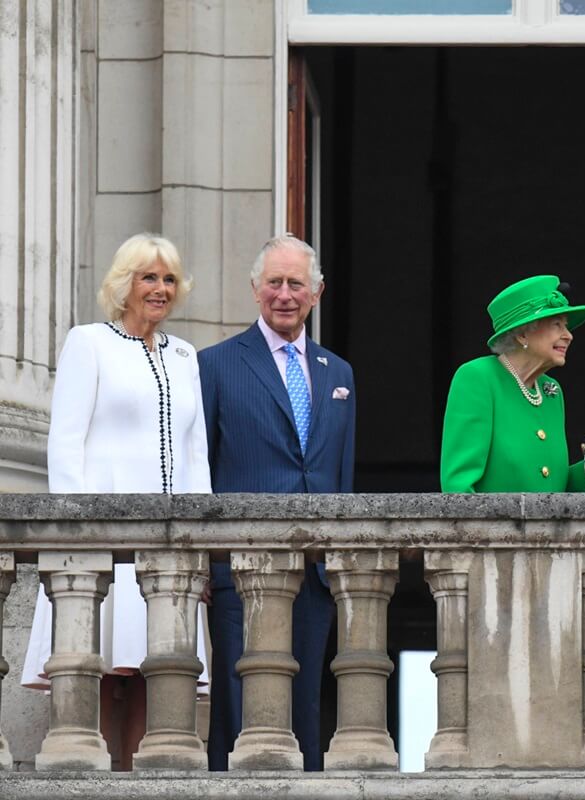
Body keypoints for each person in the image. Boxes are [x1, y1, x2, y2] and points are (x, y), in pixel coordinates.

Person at [22, 233, 211, 770]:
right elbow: (65, 444)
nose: (160, 288)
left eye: (169, 278)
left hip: (171, 548)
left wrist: (204, 543)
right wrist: (74, 538)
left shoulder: (184, 355)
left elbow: (195, 454)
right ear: (124, 284)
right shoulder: (90, 342)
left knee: (159, 676)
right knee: (100, 672)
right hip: (101, 542)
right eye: (148, 277)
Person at [199, 234, 356, 772]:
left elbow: (340, 474)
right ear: (255, 289)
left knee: (306, 702)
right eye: (274, 283)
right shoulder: (215, 365)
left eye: (296, 284)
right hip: (238, 570)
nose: (284, 294)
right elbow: (202, 469)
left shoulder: (339, 373)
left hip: (315, 571)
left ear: (317, 293)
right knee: (237, 704)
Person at [440, 274, 585, 493]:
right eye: (557, 325)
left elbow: (553, 489)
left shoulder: (551, 392)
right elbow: (458, 486)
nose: (569, 336)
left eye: (566, 326)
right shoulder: (478, 378)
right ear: (523, 334)